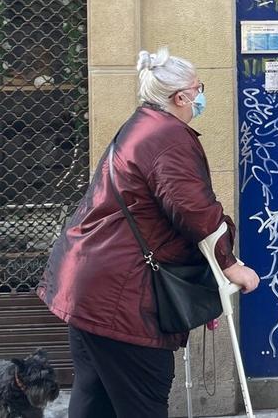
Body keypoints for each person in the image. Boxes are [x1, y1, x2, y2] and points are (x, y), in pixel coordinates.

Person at [39, 48, 260, 418]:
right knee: (142, 401)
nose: (201, 96)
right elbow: (194, 211)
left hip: (87, 284)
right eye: (198, 88)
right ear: (181, 97)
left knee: (94, 398)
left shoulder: (142, 124)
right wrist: (230, 264)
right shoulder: (169, 136)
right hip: (121, 296)